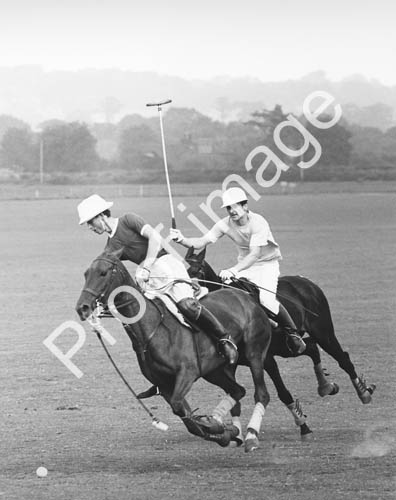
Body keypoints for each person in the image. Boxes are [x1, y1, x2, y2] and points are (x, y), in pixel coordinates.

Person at [77, 194, 238, 378]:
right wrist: (96, 312)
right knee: (149, 315)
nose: (89, 227)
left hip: (167, 264)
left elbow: (155, 238)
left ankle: (225, 340)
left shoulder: (128, 220)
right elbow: (104, 273)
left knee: (187, 305)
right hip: (149, 278)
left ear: (100, 216)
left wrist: (148, 263)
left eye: (90, 222)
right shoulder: (110, 247)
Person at [169, 187, 306, 356]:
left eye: (235, 206)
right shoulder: (224, 224)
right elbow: (201, 242)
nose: (232, 211)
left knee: (266, 299)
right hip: (245, 266)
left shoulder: (258, 222)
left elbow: (255, 254)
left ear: (245, 206)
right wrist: (182, 239)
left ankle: (293, 334)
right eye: (228, 208)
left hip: (266, 265)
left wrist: (233, 270)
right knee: (229, 294)